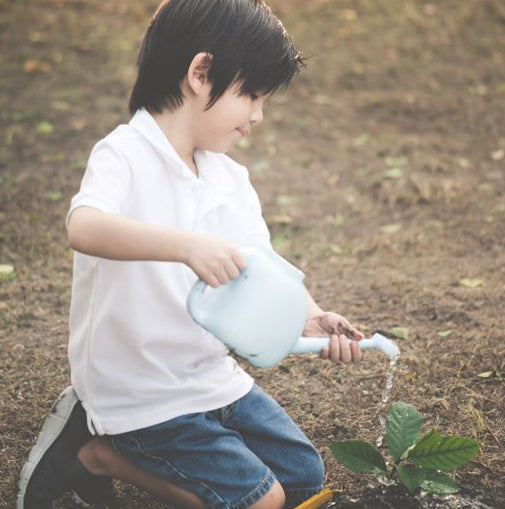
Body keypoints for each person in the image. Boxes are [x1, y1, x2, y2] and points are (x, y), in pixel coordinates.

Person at [17, 1, 366, 508]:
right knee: (261, 501)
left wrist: (311, 320)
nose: (257, 116)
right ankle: (99, 456)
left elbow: (264, 271)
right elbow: (83, 226)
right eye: (251, 95)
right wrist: (184, 247)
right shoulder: (125, 153)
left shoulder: (229, 177)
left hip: (207, 377)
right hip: (141, 388)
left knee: (303, 478)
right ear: (200, 74)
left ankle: (117, 452)